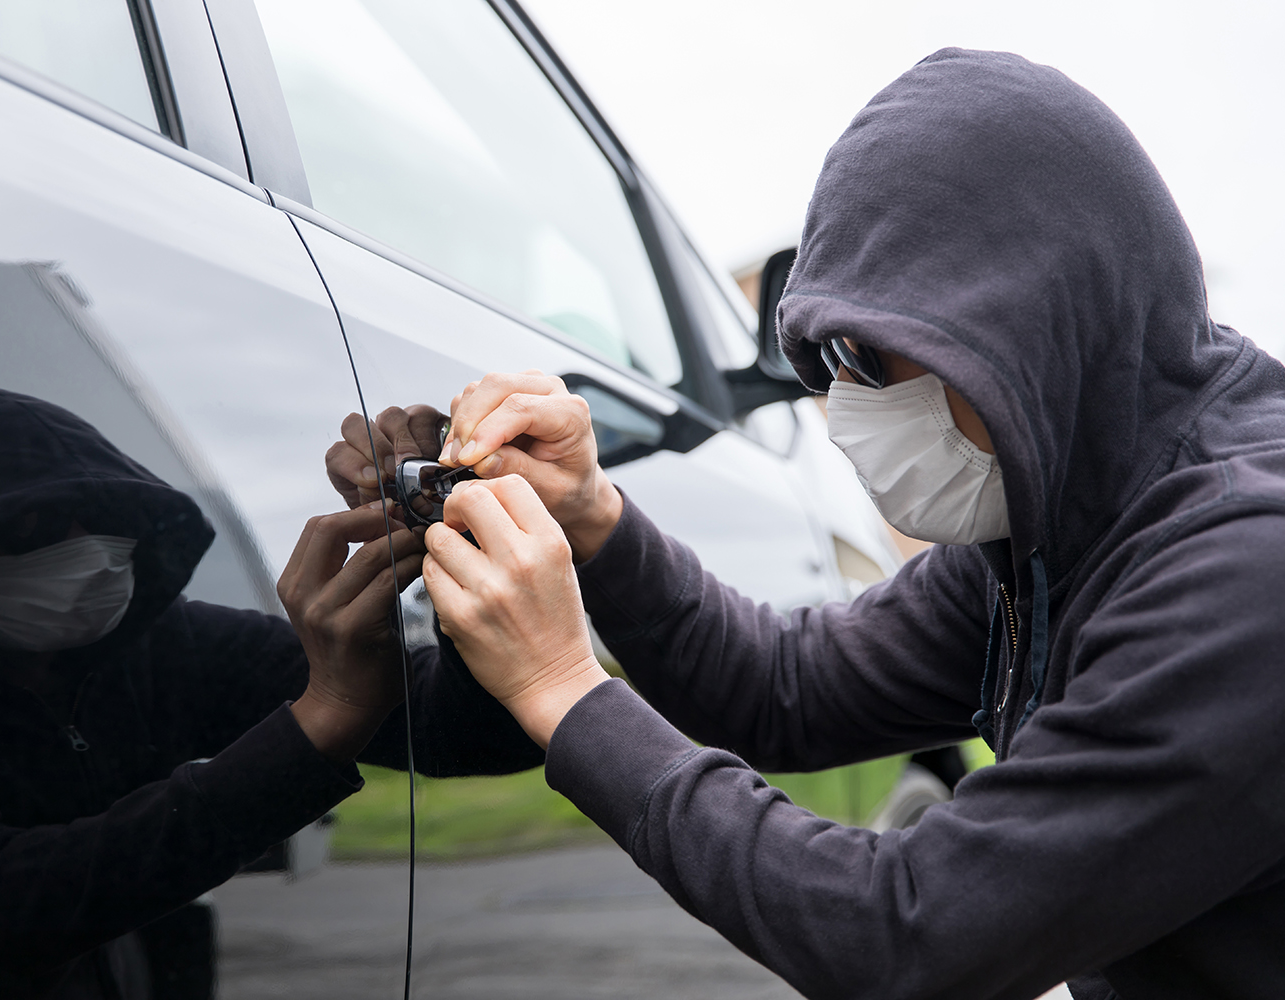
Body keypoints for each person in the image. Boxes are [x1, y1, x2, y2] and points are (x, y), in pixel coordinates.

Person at [342, 49, 1285, 998]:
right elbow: (784, 690)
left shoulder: (1245, 574)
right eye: (830, 361)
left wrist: (561, 686)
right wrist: (595, 520)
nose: (845, 410)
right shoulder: (1058, 527)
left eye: (876, 358)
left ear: (1026, 324)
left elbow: (911, 934)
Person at [0, 381, 537, 999]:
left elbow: (468, 736)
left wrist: (457, 536)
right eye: (30, 525)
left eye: (111, 519)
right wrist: (325, 719)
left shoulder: (170, 646)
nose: (87, 548)